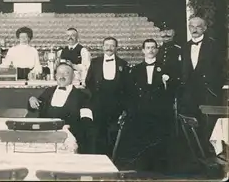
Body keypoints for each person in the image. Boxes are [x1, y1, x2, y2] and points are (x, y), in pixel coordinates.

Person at [115, 39, 176, 173]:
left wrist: (167, 84)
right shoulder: (135, 70)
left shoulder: (166, 68)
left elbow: (172, 92)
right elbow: (129, 92)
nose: (150, 50)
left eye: (153, 47)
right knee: (141, 139)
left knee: (158, 138)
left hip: (159, 111)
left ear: (157, 50)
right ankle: (142, 166)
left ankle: (158, 168)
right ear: (143, 50)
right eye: (148, 47)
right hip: (140, 111)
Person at [178, 17, 224, 155]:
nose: (194, 29)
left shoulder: (214, 45)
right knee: (191, 123)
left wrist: (214, 86)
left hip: (208, 91)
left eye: (198, 26)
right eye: (191, 26)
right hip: (189, 92)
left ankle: (211, 156)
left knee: (208, 124)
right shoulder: (185, 46)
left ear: (204, 28)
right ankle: (195, 155)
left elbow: (222, 69)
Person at [27, 61, 95, 154]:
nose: (62, 76)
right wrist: (31, 100)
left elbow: (87, 123)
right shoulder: (48, 92)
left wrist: (70, 131)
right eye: (59, 73)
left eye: (66, 73)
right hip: (45, 139)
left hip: (69, 141)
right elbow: (34, 108)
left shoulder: (83, 96)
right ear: (55, 76)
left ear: (73, 76)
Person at [85, 37, 129, 156]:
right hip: (99, 104)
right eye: (107, 45)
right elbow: (88, 82)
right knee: (99, 132)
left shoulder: (123, 64)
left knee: (113, 133)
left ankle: (113, 158)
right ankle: (99, 159)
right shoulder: (95, 62)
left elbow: (127, 86)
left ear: (116, 48)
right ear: (103, 47)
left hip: (116, 104)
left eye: (112, 45)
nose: (109, 48)